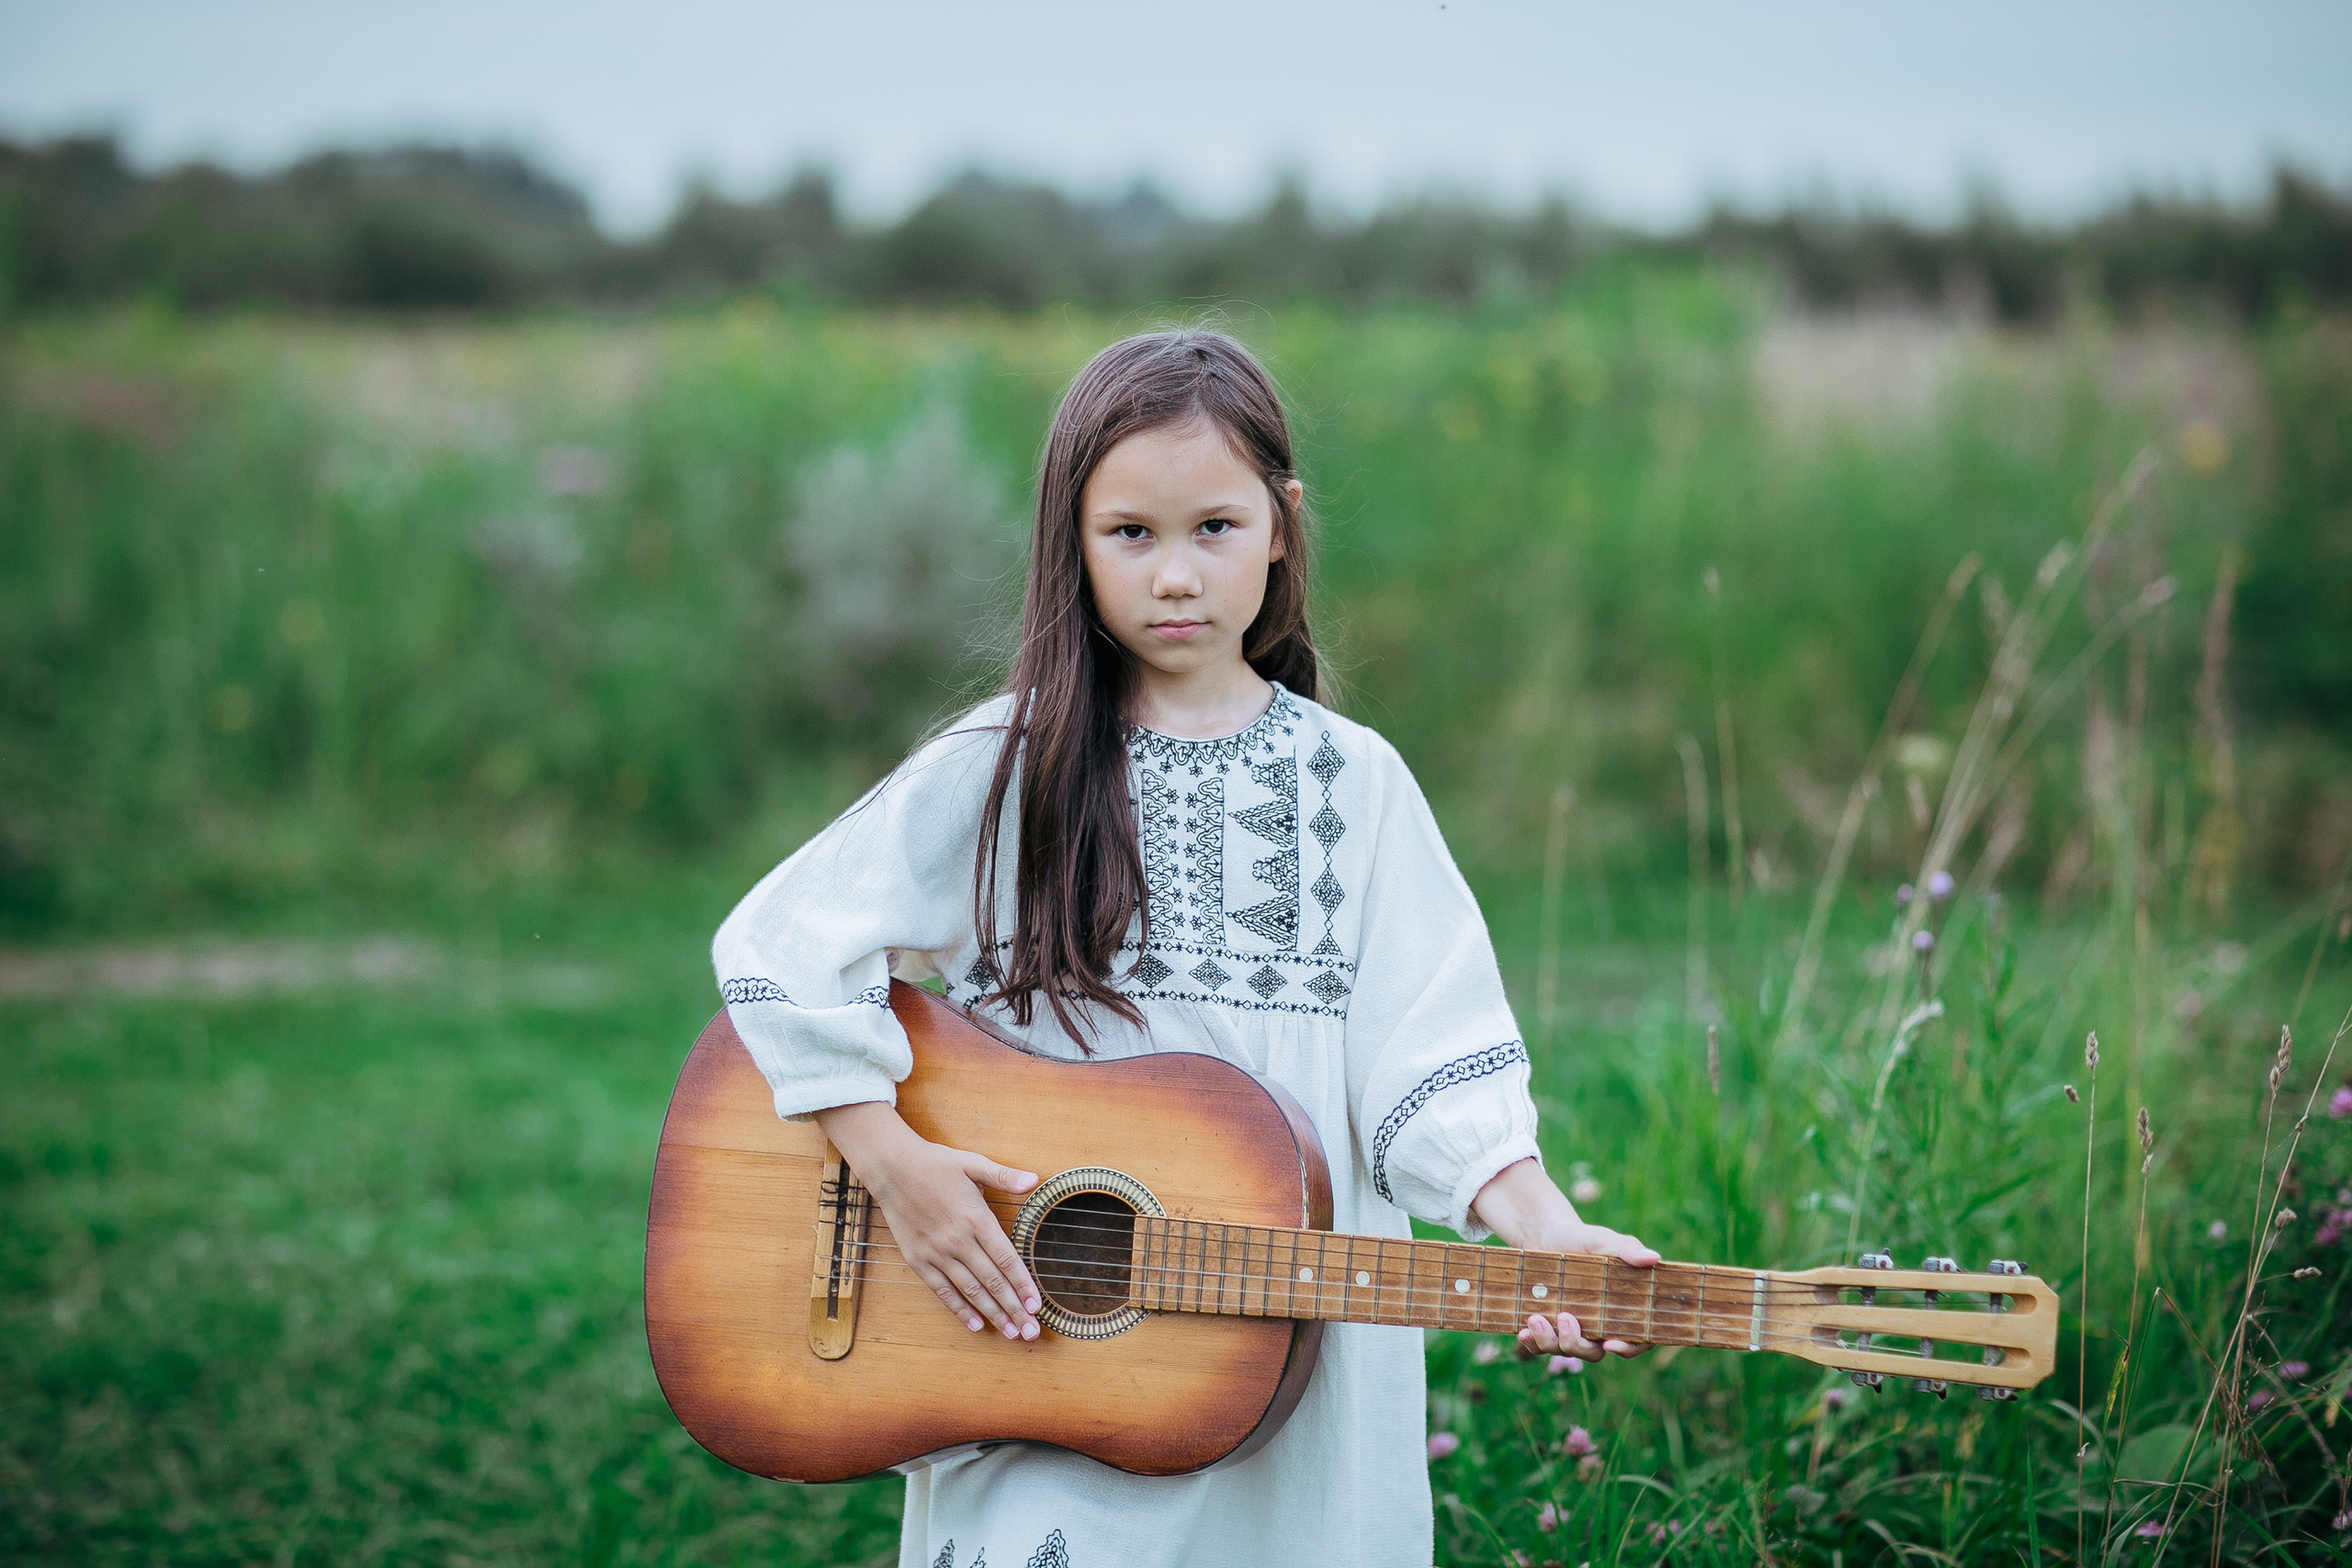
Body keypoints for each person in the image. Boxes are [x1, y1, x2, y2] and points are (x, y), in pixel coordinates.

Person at [712, 329, 1657, 1568]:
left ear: (1282, 527)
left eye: (1215, 528)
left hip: (1290, 1374)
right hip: (1038, 1356)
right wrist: (894, 1164)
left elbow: (1436, 1055)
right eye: (1130, 534)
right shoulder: (1008, 765)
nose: (1174, 575)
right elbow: (779, 945)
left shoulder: (1356, 784)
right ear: (1073, 541)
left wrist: (1542, 1228)